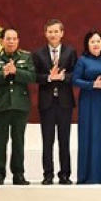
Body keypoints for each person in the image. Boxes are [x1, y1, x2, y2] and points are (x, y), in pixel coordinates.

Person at [0, 28, 34, 185]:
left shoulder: (26, 57)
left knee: (18, 141)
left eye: (14, 39)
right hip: (1, 105)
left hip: (20, 105)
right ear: (2, 41)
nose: (11, 42)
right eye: (8, 39)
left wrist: (16, 71)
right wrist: (3, 74)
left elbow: (32, 77)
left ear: (18, 41)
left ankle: (18, 173)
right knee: (1, 141)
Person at [31, 19, 77, 185]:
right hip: (46, 102)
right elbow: (34, 76)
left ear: (62, 33)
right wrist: (49, 77)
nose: (53, 34)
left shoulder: (70, 52)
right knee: (47, 140)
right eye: (50, 31)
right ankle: (48, 174)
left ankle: (65, 174)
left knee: (64, 140)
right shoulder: (38, 53)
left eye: (56, 31)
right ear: (45, 33)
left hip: (65, 102)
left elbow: (75, 74)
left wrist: (64, 77)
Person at [72, 30, 101, 184]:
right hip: (88, 102)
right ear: (87, 44)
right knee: (88, 134)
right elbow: (75, 80)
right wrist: (92, 84)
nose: (95, 44)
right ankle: (86, 176)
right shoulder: (82, 60)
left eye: (98, 41)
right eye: (92, 42)